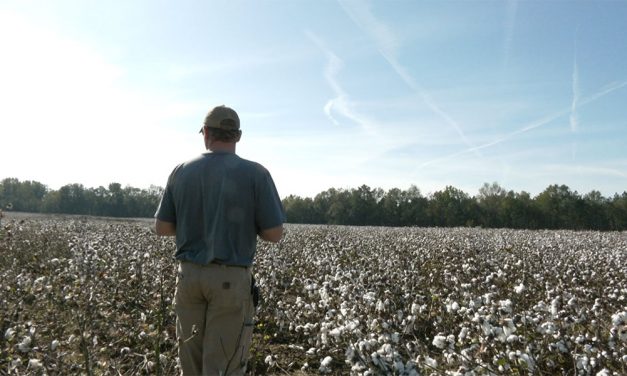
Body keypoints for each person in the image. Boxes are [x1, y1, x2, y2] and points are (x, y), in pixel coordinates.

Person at [154, 105, 285, 375]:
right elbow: (274, 234)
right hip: (230, 281)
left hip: (189, 278)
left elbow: (163, 227)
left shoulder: (182, 171)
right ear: (238, 136)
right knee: (223, 367)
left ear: (206, 134)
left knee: (190, 365)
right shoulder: (256, 174)